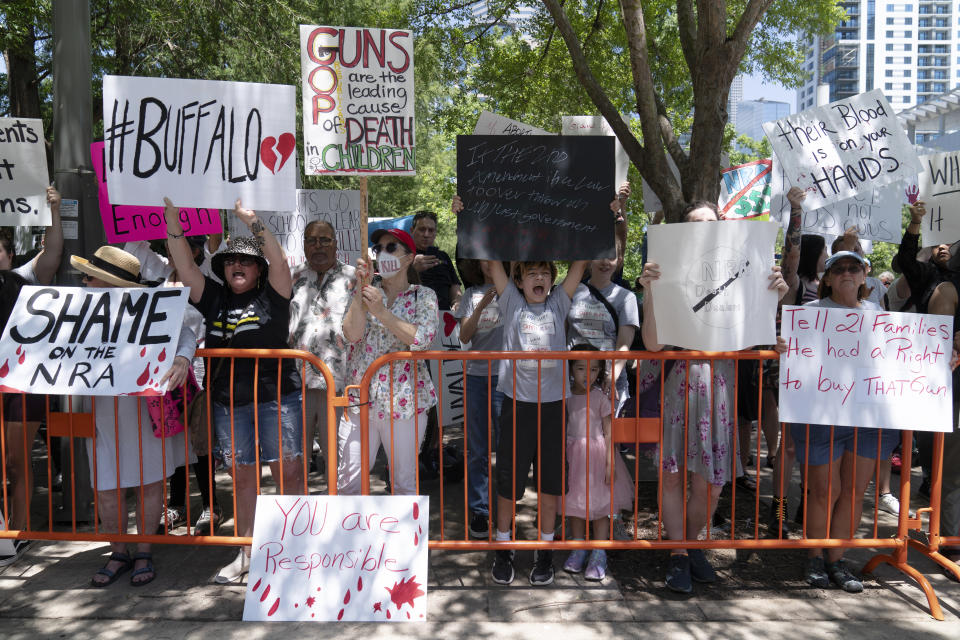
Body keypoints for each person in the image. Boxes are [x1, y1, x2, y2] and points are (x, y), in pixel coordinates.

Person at [638, 200, 788, 594]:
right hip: (679, 388)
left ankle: (687, 545)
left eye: (711, 222)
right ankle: (679, 554)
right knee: (672, 480)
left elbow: (765, 338)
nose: (704, 228)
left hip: (720, 392)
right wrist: (650, 291)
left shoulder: (743, 270)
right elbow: (653, 344)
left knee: (712, 485)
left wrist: (775, 296)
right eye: (695, 224)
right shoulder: (667, 274)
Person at [163, 197, 305, 585]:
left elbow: (280, 262)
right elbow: (186, 266)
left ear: (257, 269)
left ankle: (291, 554)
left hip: (279, 399)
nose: (236, 265)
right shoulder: (214, 297)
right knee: (242, 479)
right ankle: (246, 552)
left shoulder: (274, 292)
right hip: (229, 404)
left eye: (244, 261)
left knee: (288, 476)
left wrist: (252, 221)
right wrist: (173, 222)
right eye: (229, 261)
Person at [70, 246, 195, 587]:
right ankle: (118, 552)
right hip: (98, 410)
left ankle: (144, 551)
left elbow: (185, 333)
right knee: (106, 485)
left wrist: (183, 358)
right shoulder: (78, 309)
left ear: (110, 283)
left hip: (143, 409)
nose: (85, 281)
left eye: (90, 277)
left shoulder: (150, 306)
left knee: (149, 482)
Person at [787, 250, 899, 593]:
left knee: (853, 492)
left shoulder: (879, 315)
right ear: (828, 277)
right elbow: (795, 356)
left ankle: (837, 561)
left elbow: (901, 359)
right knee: (823, 490)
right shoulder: (808, 314)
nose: (847, 273)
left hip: (867, 417)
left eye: (854, 268)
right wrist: (782, 346)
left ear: (865, 276)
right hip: (821, 416)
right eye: (839, 268)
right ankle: (815, 558)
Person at [123, 239, 222, 536]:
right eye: (167, 244)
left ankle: (211, 505)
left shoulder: (207, 274)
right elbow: (132, 249)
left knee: (200, 440)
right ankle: (177, 504)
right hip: (166, 373)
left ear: (195, 249)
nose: (170, 249)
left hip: (200, 368)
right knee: (175, 436)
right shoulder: (159, 272)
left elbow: (215, 242)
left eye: (179, 244)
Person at [339, 227, 439, 495]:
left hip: (405, 402)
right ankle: (350, 536)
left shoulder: (424, 296)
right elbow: (351, 335)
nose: (383, 253)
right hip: (360, 400)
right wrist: (362, 295)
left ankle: (402, 537)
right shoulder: (364, 291)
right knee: (349, 480)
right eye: (378, 249)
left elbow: (422, 339)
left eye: (391, 247)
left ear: (409, 257)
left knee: (404, 482)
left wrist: (382, 313)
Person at [0, 185, 63, 567]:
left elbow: (53, 253)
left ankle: (19, 533)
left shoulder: (23, 277)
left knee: (15, 460)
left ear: (9, 255)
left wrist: (54, 211)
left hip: (23, 381)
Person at [288, 220, 356, 479]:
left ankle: (336, 516)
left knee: (337, 458)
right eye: (312, 240)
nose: (318, 246)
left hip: (338, 383)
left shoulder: (354, 278)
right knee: (295, 458)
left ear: (336, 243)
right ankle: (299, 518)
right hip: (297, 383)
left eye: (325, 240)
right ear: (304, 244)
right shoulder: (292, 277)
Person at [561, 345, 634, 582]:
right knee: (574, 503)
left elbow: (609, 433)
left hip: (597, 456)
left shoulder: (601, 397)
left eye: (593, 370)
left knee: (602, 506)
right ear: (571, 369)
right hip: (573, 456)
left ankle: (599, 552)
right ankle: (578, 547)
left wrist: (611, 463)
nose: (587, 374)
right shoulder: (565, 395)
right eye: (581, 368)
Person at [454, 258, 506, 539]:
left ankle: (507, 509)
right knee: (477, 447)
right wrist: (481, 307)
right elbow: (464, 335)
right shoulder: (471, 294)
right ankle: (479, 510)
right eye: (484, 257)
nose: (489, 261)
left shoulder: (513, 289)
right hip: (475, 376)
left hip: (506, 377)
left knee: (508, 445)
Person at [411, 210, 461, 311]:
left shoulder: (443, 256)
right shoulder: (404, 255)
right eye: (422, 229)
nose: (426, 234)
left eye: (431, 230)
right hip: (413, 315)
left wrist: (457, 302)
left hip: (444, 317)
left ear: (435, 233)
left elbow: (454, 285)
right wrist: (412, 270)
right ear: (412, 230)